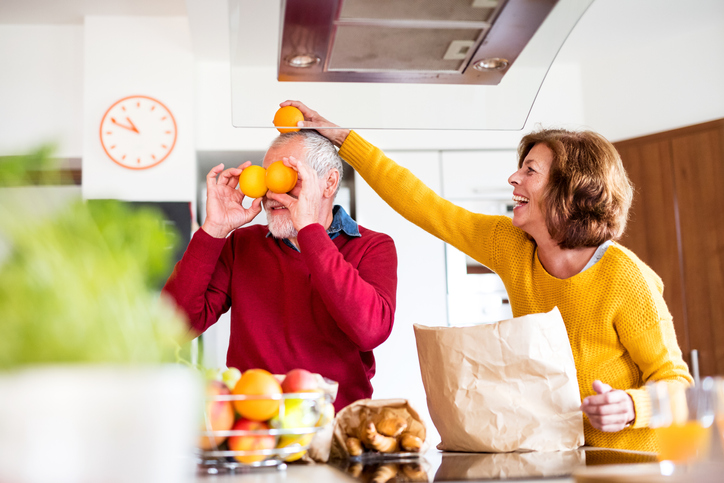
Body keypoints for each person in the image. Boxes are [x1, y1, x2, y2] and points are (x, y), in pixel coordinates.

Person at [282, 101, 693, 452]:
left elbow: (679, 386)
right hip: (556, 458)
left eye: (530, 171)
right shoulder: (511, 245)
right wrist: (342, 138)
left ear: (571, 189)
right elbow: (425, 205)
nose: (514, 179)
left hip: (633, 466)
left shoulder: (625, 278)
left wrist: (632, 406)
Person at [163, 130, 398, 411]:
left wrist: (309, 230)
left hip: (338, 429)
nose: (273, 193)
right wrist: (213, 230)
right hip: (254, 426)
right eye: (268, 178)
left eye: (288, 177)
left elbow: (370, 330)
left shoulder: (373, 246)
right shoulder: (241, 244)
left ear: (329, 182)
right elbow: (173, 327)